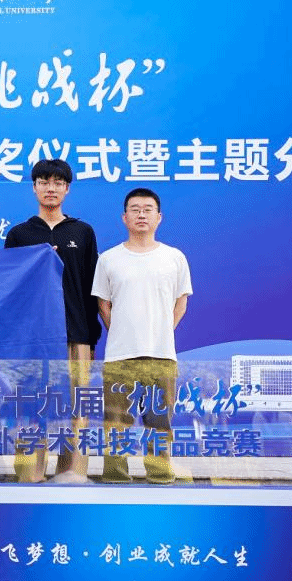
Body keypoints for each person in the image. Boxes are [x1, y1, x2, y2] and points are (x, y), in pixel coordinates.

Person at [4, 158, 100, 483]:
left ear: (67, 189)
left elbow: (91, 287)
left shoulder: (82, 232)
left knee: (77, 411)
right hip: (33, 339)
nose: (51, 188)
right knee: (33, 410)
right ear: (34, 188)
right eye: (44, 182)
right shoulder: (19, 234)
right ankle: (29, 479)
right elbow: (9, 288)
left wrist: (91, 337)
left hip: (75, 335)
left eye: (58, 183)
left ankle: (73, 478)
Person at [91, 188, 192, 484]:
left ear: (159, 217)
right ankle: (115, 475)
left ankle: (159, 473)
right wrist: (123, 333)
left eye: (148, 209)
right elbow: (103, 305)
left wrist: (159, 332)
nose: (141, 215)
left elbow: (181, 304)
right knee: (115, 421)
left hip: (161, 354)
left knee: (159, 421)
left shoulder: (174, 257)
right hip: (120, 355)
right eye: (135, 209)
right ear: (125, 218)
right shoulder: (109, 259)